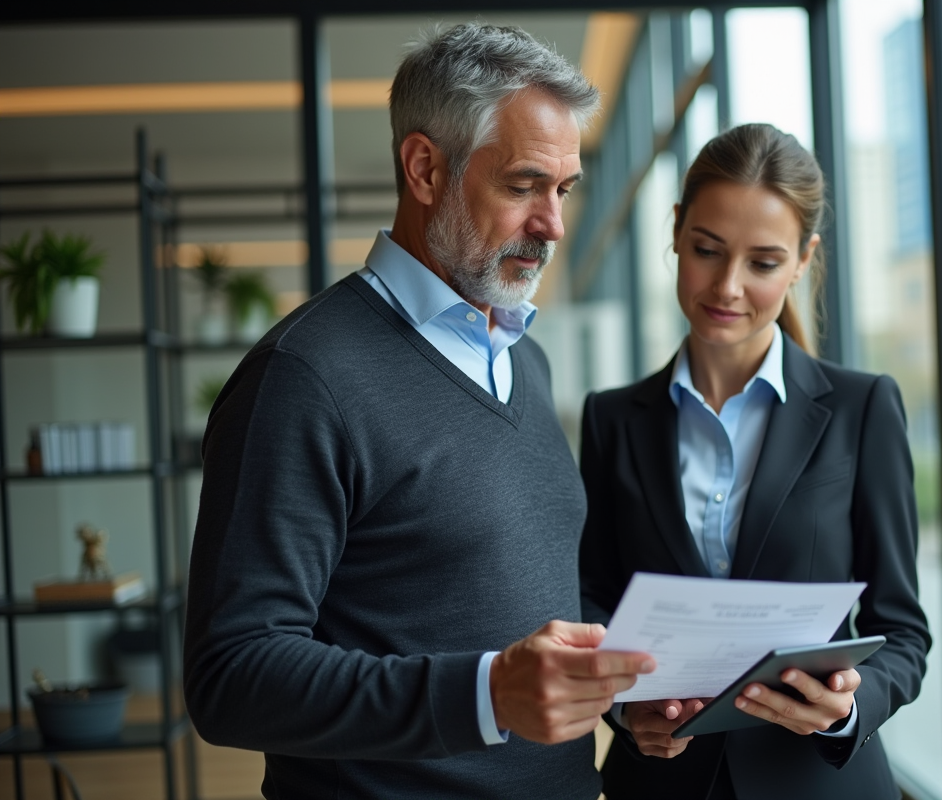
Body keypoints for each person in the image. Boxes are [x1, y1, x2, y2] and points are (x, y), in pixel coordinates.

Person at [183, 24, 653, 800]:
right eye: (523, 185)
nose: (553, 226)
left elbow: (529, 607)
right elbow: (231, 676)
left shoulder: (521, 356)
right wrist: (486, 694)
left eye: (563, 190)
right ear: (426, 168)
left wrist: (627, 697)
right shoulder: (301, 377)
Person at [578, 123, 932, 799]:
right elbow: (592, 596)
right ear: (677, 231)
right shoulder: (611, 419)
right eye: (707, 250)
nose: (728, 286)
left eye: (764, 263)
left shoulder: (863, 409)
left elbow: (903, 631)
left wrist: (847, 709)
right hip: (660, 781)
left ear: (803, 261)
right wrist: (625, 709)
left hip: (819, 781)